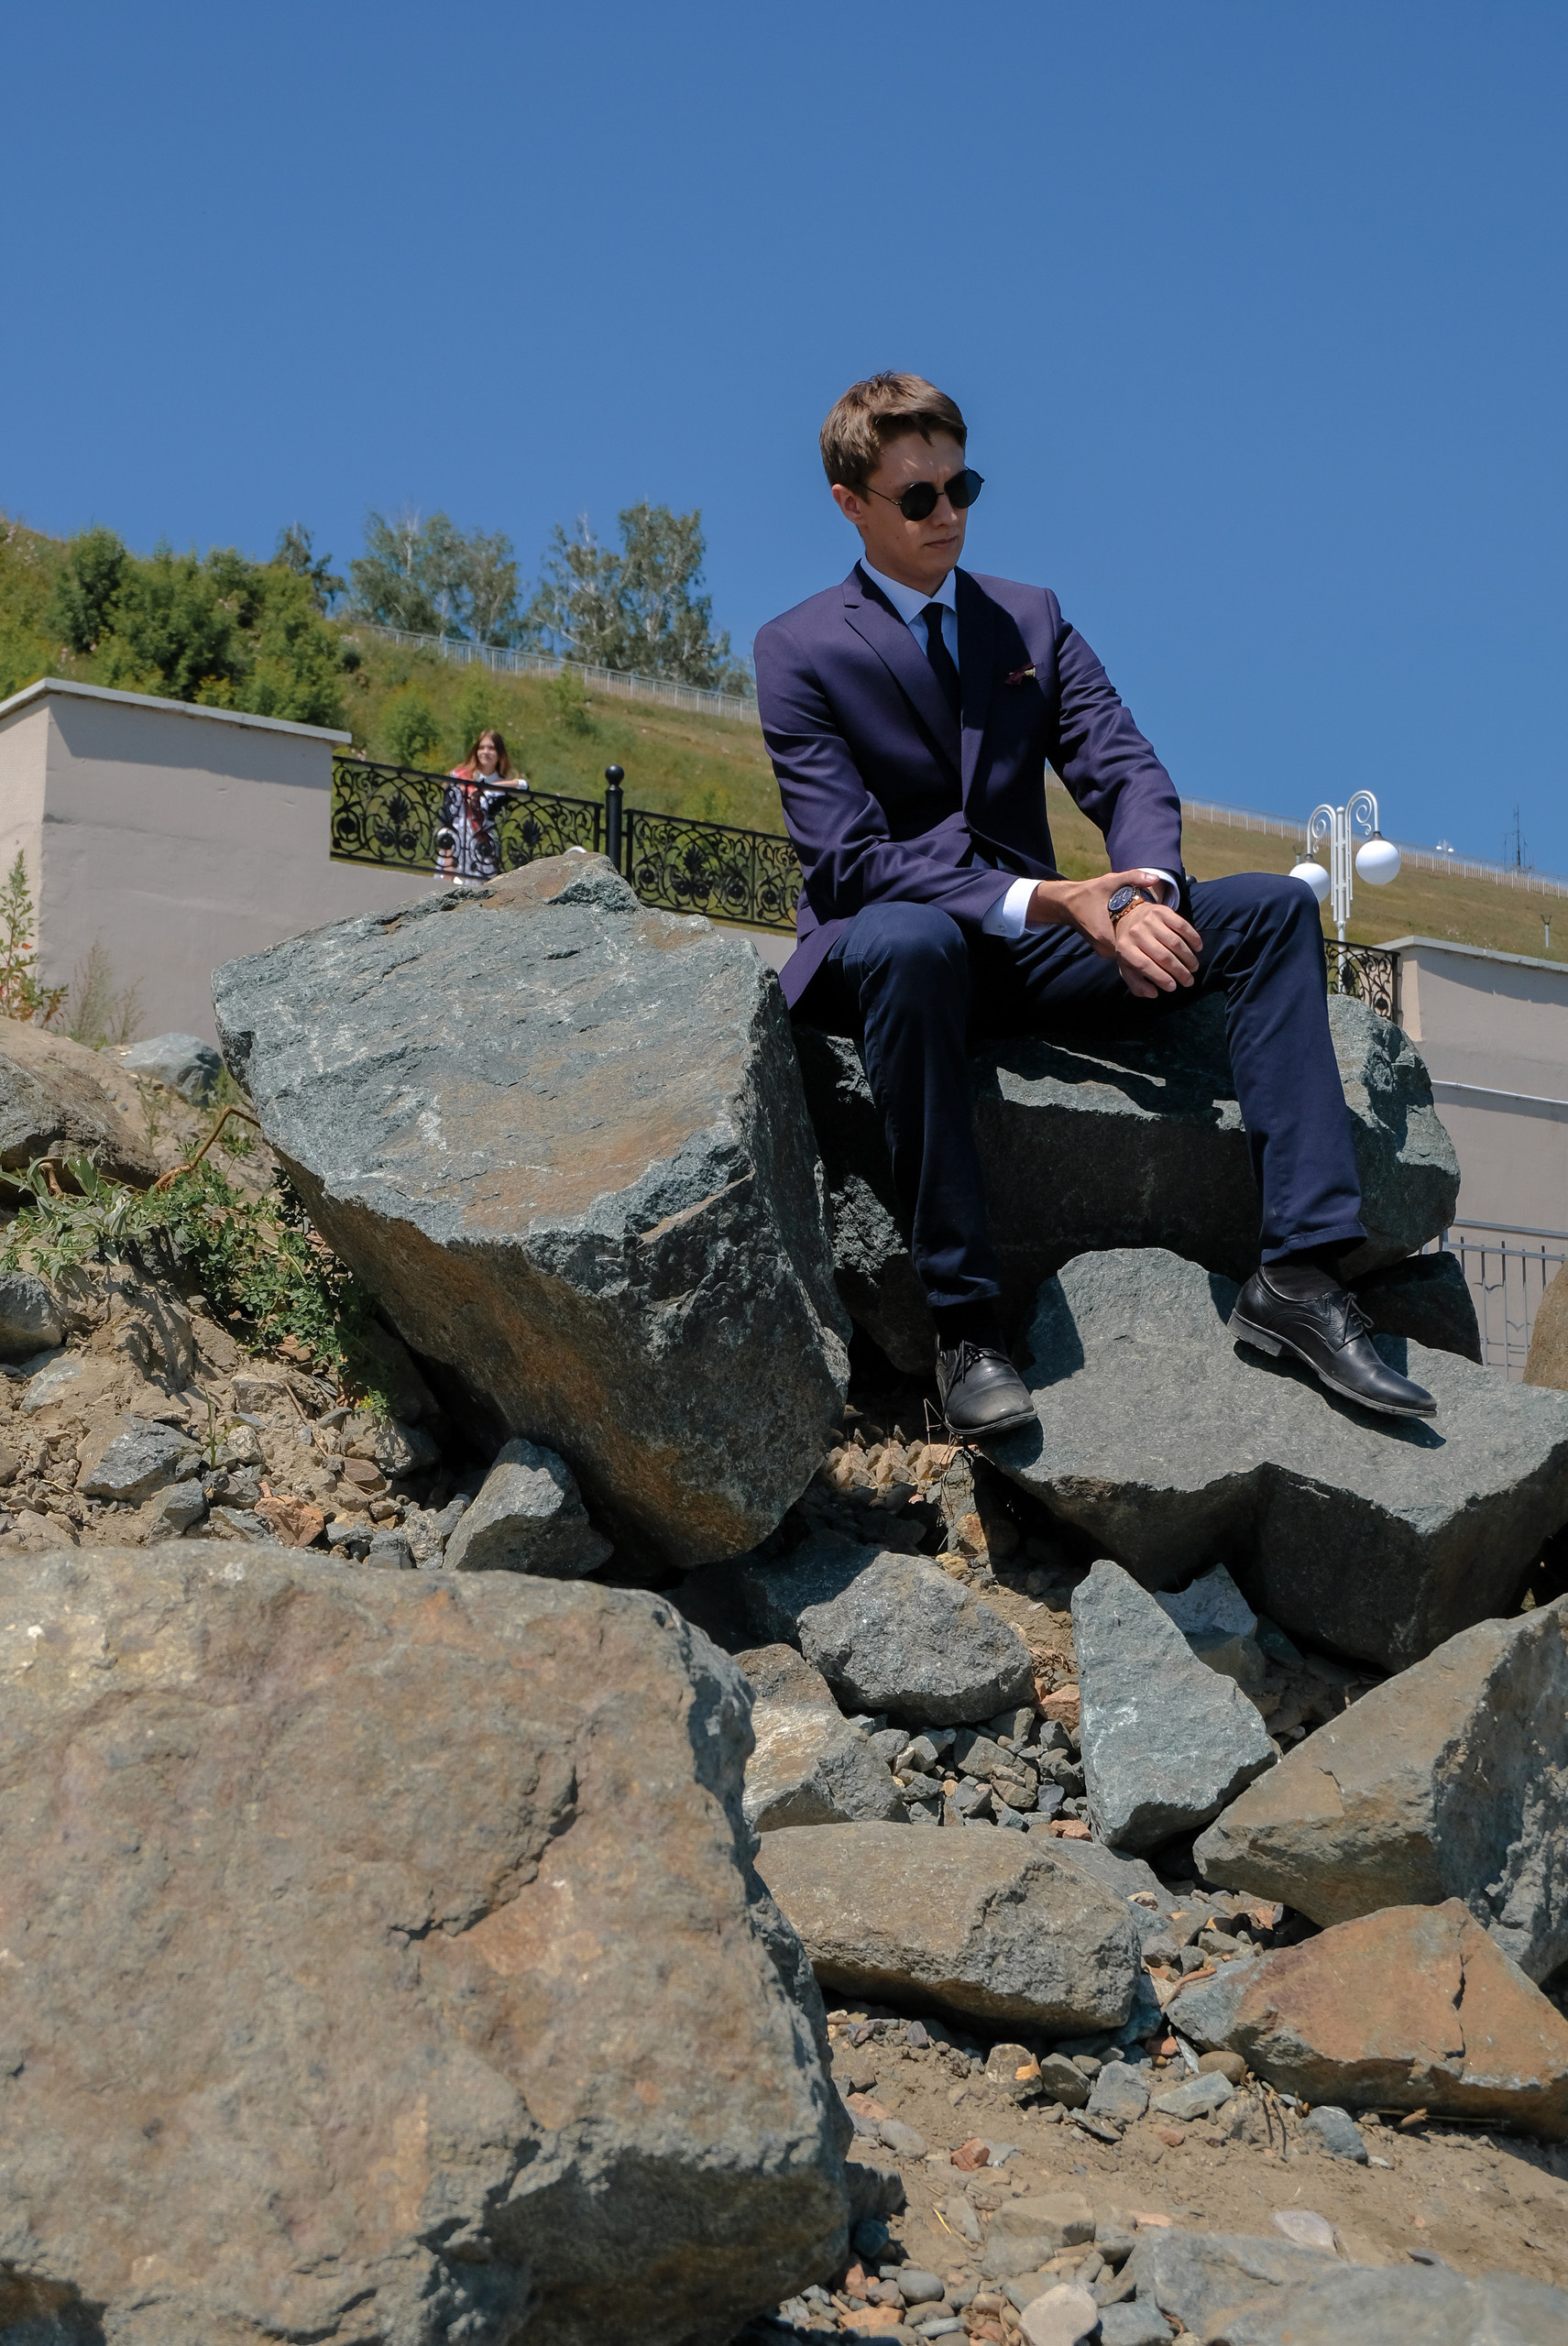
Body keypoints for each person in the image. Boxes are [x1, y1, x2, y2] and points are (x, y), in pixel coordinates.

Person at [754, 372, 1435, 1437]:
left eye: (962, 486)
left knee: (1270, 910)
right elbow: (848, 862)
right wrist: (1053, 898)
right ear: (850, 503)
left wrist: (1143, 895)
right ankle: (966, 1330)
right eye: (918, 496)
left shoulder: (1028, 618)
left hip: (1035, 952)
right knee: (911, 940)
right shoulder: (796, 648)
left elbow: (1123, 770)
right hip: (896, 955)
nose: (948, 513)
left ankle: (1298, 1277)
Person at [438, 728, 528, 884]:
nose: (486, 752)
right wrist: (447, 858)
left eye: (492, 748)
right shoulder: (459, 777)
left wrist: (488, 788)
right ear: (476, 751)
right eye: (482, 747)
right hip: (454, 845)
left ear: (499, 753)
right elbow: (446, 819)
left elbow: (523, 786)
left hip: (482, 849)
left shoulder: (501, 785)